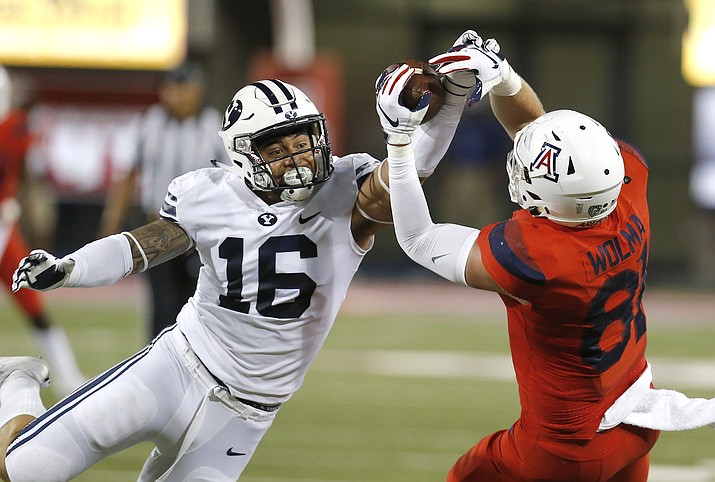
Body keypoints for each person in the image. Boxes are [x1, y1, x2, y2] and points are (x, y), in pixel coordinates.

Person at [0, 71, 465, 481]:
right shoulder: (208, 193)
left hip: (246, 412)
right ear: (244, 154)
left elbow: (412, 172)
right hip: (177, 368)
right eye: (277, 148)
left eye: (302, 141)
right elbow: (144, 246)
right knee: (26, 470)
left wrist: (448, 103)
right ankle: (20, 383)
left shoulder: (347, 190)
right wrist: (72, 267)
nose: (297, 156)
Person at [380, 29, 715, 481]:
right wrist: (502, 76)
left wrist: (400, 139)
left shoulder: (538, 256)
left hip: (564, 452)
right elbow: (535, 135)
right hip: (637, 416)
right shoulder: (630, 185)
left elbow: (418, 238)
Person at [99, 58, 230, 339]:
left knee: (198, 306)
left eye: (186, 88)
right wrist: (111, 224)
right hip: (158, 229)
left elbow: (231, 181)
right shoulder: (150, 123)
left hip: (202, 234)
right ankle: (157, 369)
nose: (179, 95)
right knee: (162, 307)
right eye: (174, 88)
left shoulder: (212, 126)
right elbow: (129, 174)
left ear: (199, 91)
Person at [0, 66, 86, 397]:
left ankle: (67, 376)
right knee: (34, 307)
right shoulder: (16, 127)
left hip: (6, 228)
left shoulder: (15, 128)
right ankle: (67, 375)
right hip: (7, 224)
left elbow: (24, 174)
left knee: (33, 305)